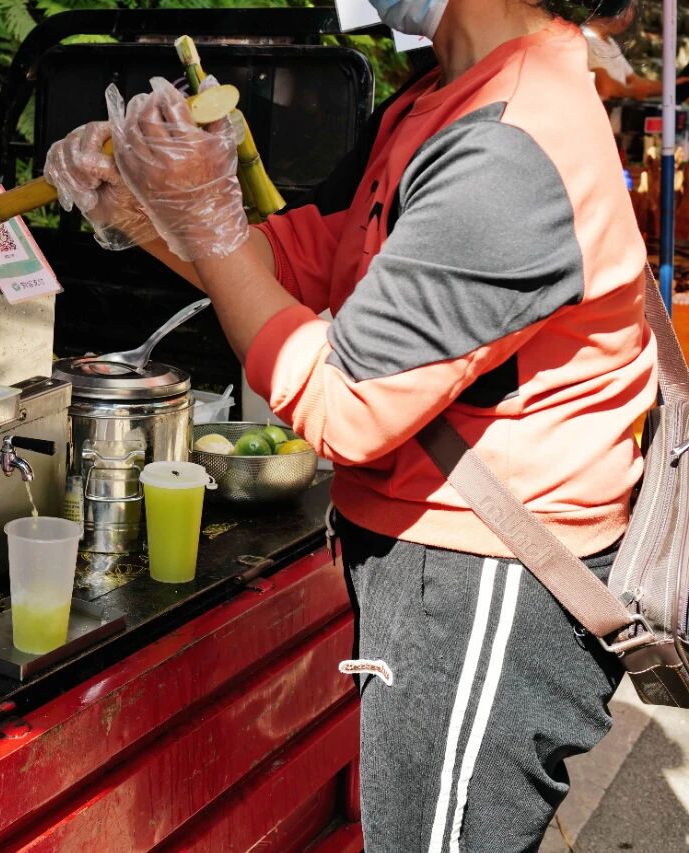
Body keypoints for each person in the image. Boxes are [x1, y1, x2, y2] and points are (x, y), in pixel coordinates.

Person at [46, 0, 658, 850]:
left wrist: (206, 216)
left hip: (490, 572)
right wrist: (143, 211)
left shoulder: (513, 139)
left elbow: (346, 404)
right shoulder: (433, 98)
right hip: (432, 553)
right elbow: (295, 265)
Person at [585, 6, 689, 101]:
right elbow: (605, 88)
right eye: (628, 13)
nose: (629, 19)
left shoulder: (609, 41)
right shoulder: (587, 39)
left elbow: (634, 80)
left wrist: (673, 86)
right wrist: (631, 91)